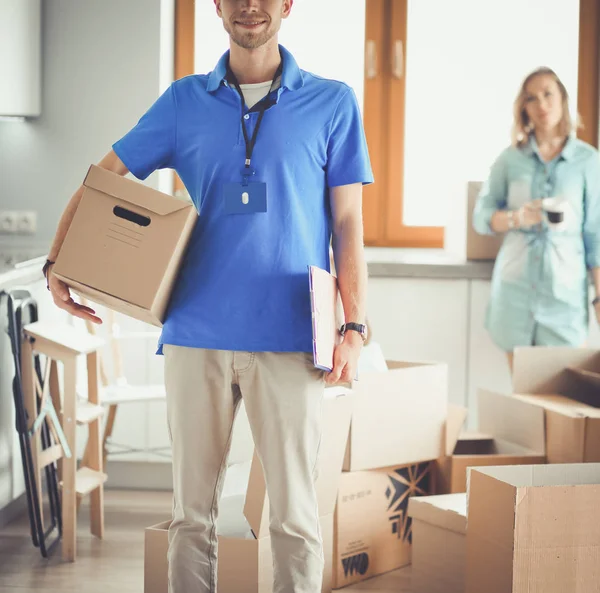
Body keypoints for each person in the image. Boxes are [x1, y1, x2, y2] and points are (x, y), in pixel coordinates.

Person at [43, 1, 373, 591]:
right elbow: (106, 176)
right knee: (191, 518)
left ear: (289, 4)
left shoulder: (333, 102)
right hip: (197, 334)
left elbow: (349, 224)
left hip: (293, 336)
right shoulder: (182, 102)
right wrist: (59, 260)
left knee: (295, 519)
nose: (251, 5)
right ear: (217, 5)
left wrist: (355, 327)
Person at [473, 67, 600, 372]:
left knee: (563, 398)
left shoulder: (588, 160)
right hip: (515, 294)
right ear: (523, 108)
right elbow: (481, 217)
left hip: (565, 298)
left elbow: (595, 234)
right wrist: (517, 217)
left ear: (562, 99)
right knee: (523, 398)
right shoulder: (509, 159)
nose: (541, 104)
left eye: (548, 94)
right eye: (532, 98)